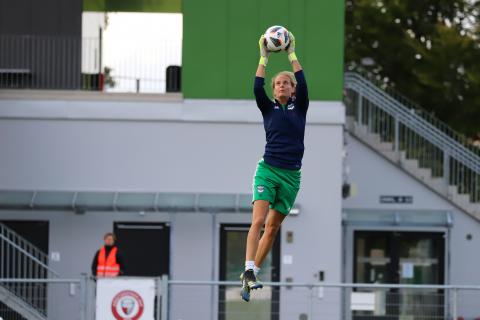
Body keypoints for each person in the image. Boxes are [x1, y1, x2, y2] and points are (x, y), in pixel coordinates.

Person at [240, 31, 309, 302]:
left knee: (273, 228)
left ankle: (252, 273)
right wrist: (264, 57)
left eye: (285, 83)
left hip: (291, 176)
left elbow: (303, 81)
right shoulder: (267, 108)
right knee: (258, 220)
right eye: (277, 83)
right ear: (274, 89)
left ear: (292, 90)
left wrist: (292, 53)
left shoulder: (300, 107)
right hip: (268, 170)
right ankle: (248, 270)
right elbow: (257, 87)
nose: (281, 86)